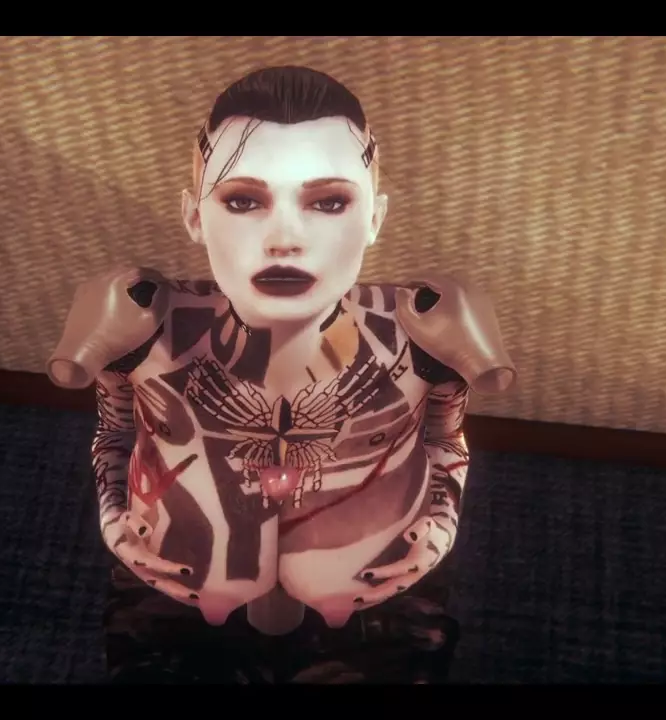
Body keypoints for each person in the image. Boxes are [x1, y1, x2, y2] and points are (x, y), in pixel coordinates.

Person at [48, 65, 516, 683]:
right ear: (195, 216)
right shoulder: (137, 327)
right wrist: (115, 526)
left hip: (377, 599)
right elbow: (116, 431)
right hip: (173, 591)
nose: (286, 238)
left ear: (374, 218)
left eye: (329, 202)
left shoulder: (426, 334)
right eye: (244, 200)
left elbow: (444, 438)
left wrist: (438, 534)